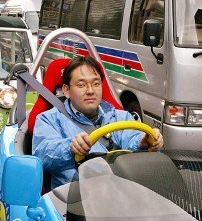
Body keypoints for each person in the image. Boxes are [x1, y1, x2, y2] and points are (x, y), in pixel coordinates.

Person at [32, 55, 163, 189]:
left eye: (96, 84)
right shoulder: (48, 119)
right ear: (66, 90)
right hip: (74, 201)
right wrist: (70, 147)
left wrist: (144, 141)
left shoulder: (121, 117)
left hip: (121, 194)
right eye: (81, 85)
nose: (90, 91)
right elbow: (41, 156)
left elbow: (131, 137)